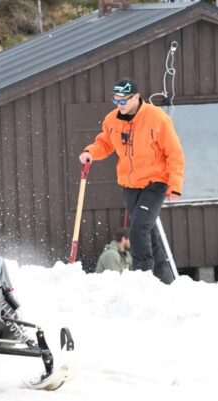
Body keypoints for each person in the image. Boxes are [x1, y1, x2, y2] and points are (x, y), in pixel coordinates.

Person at [78, 77, 185, 284]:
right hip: (130, 185)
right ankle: (165, 279)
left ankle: (142, 276)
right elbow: (105, 143)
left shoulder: (157, 119)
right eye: (116, 100)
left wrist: (175, 186)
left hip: (156, 182)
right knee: (149, 232)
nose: (120, 105)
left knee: (138, 228)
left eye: (124, 100)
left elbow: (175, 153)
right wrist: (90, 152)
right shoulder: (112, 120)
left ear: (136, 97)